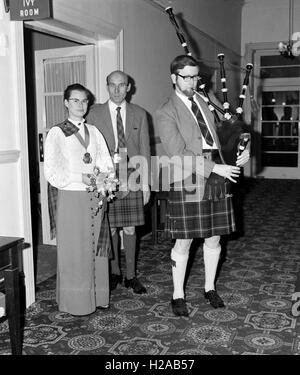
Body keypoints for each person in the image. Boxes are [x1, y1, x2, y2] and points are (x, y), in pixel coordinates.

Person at [155, 55, 250, 316]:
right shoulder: (165, 111)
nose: (193, 81)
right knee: (184, 240)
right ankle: (177, 294)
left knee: (214, 236)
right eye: (187, 77)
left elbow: (231, 125)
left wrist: (243, 148)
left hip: (219, 174)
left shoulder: (207, 100)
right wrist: (213, 167)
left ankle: (209, 287)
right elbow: (177, 153)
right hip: (188, 177)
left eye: (196, 76)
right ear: (173, 77)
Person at [44, 83, 114, 316]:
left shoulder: (93, 131)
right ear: (66, 102)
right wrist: (81, 177)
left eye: (84, 101)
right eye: (75, 101)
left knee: (95, 248)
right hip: (71, 196)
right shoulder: (57, 132)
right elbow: (52, 172)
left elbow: (105, 161)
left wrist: (105, 179)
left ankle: (98, 297)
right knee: (75, 250)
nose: (80, 105)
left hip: (94, 195)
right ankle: (76, 303)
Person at [87, 71, 151, 294]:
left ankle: (131, 276)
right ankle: (114, 271)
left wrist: (146, 184)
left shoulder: (140, 114)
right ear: (107, 87)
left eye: (121, 85)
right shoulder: (94, 113)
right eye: (112, 85)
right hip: (106, 176)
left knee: (131, 228)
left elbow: (145, 150)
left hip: (132, 174)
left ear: (129, 88)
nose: (116, 90)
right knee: (111, 226)